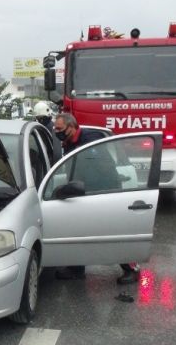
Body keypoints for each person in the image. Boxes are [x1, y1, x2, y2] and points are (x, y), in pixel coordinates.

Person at [52, 112, 140, 285]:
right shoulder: (69, 142)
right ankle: (76, 269)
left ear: (72, 127)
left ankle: (131, 269)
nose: (57, 132)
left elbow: (99, 169)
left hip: (103, 191)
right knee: (78, 231)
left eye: (60, 129)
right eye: (56, 128)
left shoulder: (90, 140)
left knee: (111, 232)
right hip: (81, 191)